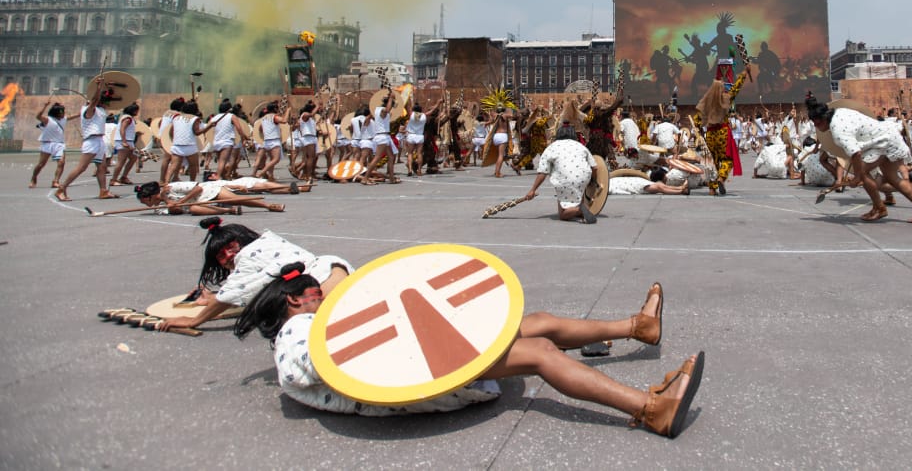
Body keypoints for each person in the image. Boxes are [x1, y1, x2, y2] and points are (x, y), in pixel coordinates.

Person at [233, 265, 703, 437]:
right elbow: (309, 372)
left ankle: (637, 327)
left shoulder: (316, 322)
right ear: (294, 301)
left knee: (531, 322)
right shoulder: (297, 336)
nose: (322, 292)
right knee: (538, 350)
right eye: (313, 291)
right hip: (417, 380)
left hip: (421, 353)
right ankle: (650, 408)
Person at [159, 217, 352, 331]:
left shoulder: (248, 254)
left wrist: (194, 321)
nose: (228, 255)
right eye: (221, 255)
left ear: (243, 241)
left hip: (323, 277)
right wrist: (210, 298)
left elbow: (231, 294)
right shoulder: (264, 246)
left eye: (230, 247)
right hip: (329, 270)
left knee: (336, 316)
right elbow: (244, 289)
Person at [806, 96, 912, 223]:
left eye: (816, 124)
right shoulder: (839, 111)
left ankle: (879, 208)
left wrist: (857, 177)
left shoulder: (838, 131)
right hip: (889, 136)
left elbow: (855, 153)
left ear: (821, 120)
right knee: (892, 177)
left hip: (882, 142)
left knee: (864, 174)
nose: (816, 127)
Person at [524, 126, 601, 223]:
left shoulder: (552, 147)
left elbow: (543, 172)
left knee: (563, 214)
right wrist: (592, 181)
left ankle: (579, 210)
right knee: (578, 185)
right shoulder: (580, 146)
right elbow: (595, 167)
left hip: (565, 179)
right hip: (583, 176)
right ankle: (582, 208)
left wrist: (533, 190)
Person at [55, 86, 115, 201]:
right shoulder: (88, 110)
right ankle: (61, 189)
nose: (107, 104)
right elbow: (94, 101)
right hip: (91, 141)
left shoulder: (101, 110)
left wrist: (108, 89)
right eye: (106, 102)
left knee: (102, 167)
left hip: (99, 141)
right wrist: (98, 88)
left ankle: (103, 191)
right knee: (81, 167)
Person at [134, 180, 284, 215]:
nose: (144, 203)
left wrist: (180, 201)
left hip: (206, 192)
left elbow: (198, 188)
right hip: (199, 204)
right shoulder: (159, 208)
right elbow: (178, 211)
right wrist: (168, 202)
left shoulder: (172, 187)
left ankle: (268, 206)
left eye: (144, 200)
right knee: (193, 209)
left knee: (236, 198)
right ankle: (228, 211)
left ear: (152, 196)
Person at [30, 99, 77, 190]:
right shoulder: (48, 120)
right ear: (56, 113)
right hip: (48, 144)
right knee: (41, 164)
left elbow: (77, 115)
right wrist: (45, 105)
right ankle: (33, 178)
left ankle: (55, 181)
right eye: (61, 112)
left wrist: (88, 107)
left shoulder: (63, 120)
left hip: (59, 144)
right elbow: (38, 116)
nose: (63, 114)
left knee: (61, 162)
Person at [110, 103, 141, 187]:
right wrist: (124, 142)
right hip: (123, 141)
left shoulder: (129, 118)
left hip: (128, 140)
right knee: (121, 161)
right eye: (136, 110)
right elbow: (122, 129)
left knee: (133, 157)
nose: (137, 112)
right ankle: (113, 179)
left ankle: (123, 177)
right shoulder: (127, 119)